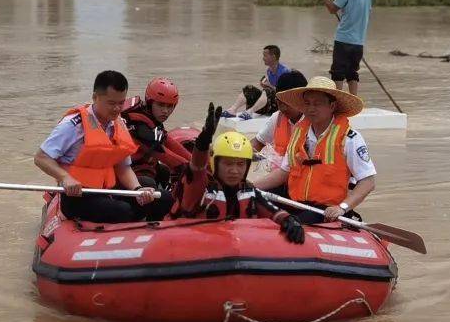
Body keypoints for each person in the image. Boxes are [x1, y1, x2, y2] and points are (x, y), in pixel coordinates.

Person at [34, 70, 169, 224]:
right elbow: (41, 158)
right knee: (122, 211)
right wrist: (65, 178)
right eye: (111, 103)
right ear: (95, 97)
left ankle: (150, 232)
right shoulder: (73, 125)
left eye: (121, 103)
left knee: (159, 195)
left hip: (106, 188)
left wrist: (138, 190)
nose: (117, 109)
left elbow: (123, 168)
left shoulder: (119, 123)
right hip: (79, 195)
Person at [171, 104, 304, 244]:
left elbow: (273, 212)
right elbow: (196, 168)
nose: (234, 170)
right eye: (228, 164)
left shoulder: (248, 191)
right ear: (215, 163)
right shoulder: (201, 188)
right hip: (200, 247)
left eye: (240, 164)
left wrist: (289, 220)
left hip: (239, 248)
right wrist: (203, 143)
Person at [253, 76, 376, 225]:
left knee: (294, 225)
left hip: (325, 209)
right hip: (295, 202)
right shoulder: (298, 134)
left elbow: (368, 181)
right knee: (253, 201)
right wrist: (251, 186)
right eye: (307, 103)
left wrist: (342, 208)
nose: (311, 109)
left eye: (317, 104)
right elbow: (284, 172)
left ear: (332, 106)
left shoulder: (349, 138)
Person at [121, 77, 191, 189]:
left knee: (164, 172)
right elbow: (162, 153)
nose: (165, 111)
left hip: (139, 168)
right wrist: (193, 170)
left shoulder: (150, 117)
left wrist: (201, 164)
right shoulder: (138, 123)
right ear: (150, 102)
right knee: (149, 182)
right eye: (161, 105)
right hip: (126, 173)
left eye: (170, 106)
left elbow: (167, 141)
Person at [250, 70, 308, 196]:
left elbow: (285, 172)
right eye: (279, 103)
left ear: (302, 99)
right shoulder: (278, 117)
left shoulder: (314, 124)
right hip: (280, 182)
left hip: (303, 187)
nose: (283, 108)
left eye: (287, 103)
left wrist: (250, 186)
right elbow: (256, 143)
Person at [316, 0, 372, 96]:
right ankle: (354, 101)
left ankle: (337, 102)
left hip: (343, 39)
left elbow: (332, 9)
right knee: (352, 72)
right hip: (359, 42)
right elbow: (367, 12)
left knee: (337, 73)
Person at [225, 45, 288, 116]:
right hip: (271, 103)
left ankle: (249, 112)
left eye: (265, 56)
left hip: (280, 106)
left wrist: (269, 86)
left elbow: (285, 94)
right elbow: (271, 91)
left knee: (268, 91)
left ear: (273, 57)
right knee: (249, 88)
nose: (263, 58)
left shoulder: (284, 72)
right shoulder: (269, 71)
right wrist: (264, 86)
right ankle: (233, 110)